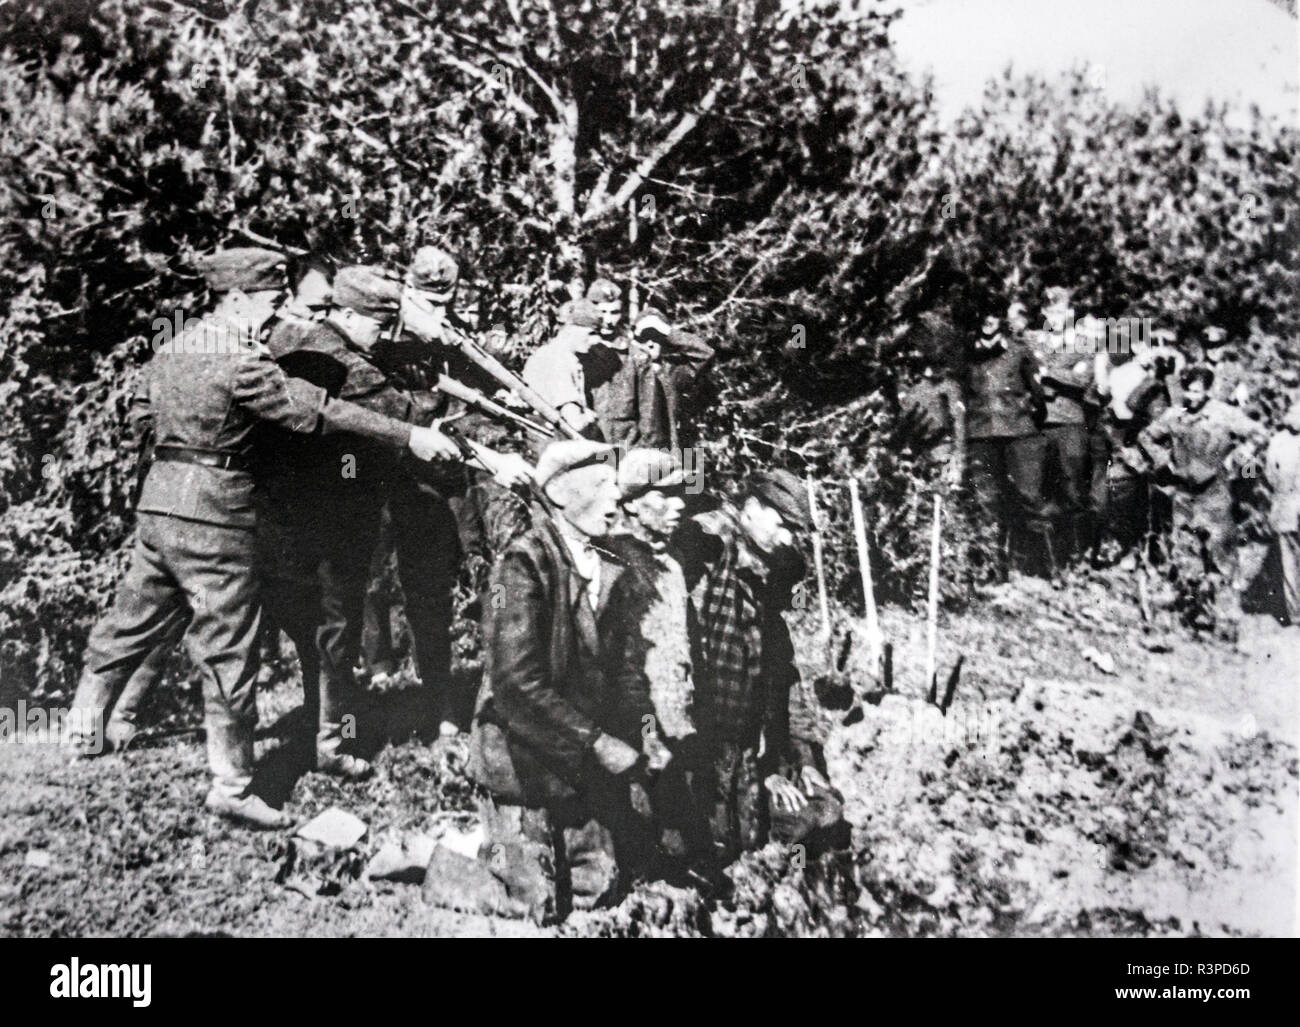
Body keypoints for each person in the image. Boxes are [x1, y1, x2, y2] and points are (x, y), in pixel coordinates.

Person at [68, 248, 456, 828]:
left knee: (129, 622)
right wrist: (407, 435)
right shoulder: (241, 360)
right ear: (238, 299)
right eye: (272, 302)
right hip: (215, 512)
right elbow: (312, 412)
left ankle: (83, 733)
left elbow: (142, 419)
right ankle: (233, 784)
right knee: (228, 646)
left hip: (160, 502)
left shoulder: (176, 347)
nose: (276, 316)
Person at [255, 264, 465, 780]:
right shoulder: (343, 358)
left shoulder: (304, 341)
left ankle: (322, 727)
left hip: (294, 512)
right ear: (347, 314)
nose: (384, 334)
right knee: (335, 624)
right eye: (378, 322)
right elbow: (399, 412)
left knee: (318, 626)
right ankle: (332, 741)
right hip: (327, 513)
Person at [465, 440, 661, 922]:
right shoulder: (521, 564)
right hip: (520, 757)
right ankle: (439, 859)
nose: (616, 498)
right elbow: (515, 685)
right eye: (600, 485)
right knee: (536, 903)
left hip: (575, 764)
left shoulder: (614, 566)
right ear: (557, 495)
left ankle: (502, 850)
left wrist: (645, 736)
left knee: (600, 888)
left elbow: (630, 672)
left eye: (614, 485)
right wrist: (598, 744)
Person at [675, 468, 828, 864]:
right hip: (704, 741)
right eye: (781, 525)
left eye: (794, 531)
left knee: (818, 812)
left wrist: (799, 760)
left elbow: (781, 676)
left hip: (746, 747)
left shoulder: (769, 574)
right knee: (711, 849)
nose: (787, 540)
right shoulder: (707, 553)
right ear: (751, 509)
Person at [1136, 365, 1266, 639]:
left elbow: (1259, 434)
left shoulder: (1224, 414)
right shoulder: (1175, 415)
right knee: (1185, 556)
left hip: (1216, 494)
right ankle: (1190, 616)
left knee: (1221, 558)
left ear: (1207, 390)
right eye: (1187, 390)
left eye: (1197, 391)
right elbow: (1145, 436)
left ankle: (1225, 624)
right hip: (1183, 495)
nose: (1191, 397)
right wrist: (1164, 461)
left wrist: (1239, 459)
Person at [958, 301, 1052, 577]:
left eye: (993, 316)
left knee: (1029, 496)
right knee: (987, 500)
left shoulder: (1020, 351)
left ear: (1002, 320)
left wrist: (1029, 422)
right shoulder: (966, 355)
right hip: (982, 434)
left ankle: (1042, 567)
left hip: (1019, 432)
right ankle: (993, 567)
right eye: (982, 316)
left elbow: (1037, 395)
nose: (988, 322)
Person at [1033, 287, 1095, 562]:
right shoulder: (1035, 343)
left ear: (1070, 313)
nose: (1055, 317)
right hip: (1039, 423)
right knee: (1042, 488)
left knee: (1072, 488)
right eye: (1049, 312)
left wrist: (1048, 373)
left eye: (1060, 312)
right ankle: (1049, 557)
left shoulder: (1083, 342)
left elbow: (1082, 381)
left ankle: (1078, 553)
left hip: (1070, 423)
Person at [521, 299, 604, 436]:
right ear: (571, 328)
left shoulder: (547, 353)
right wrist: (590, 417)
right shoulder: (559, 361)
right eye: (591, 333)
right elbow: (575, 422)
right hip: (552, 439)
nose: (596, 341)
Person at [1262, 398, 1300, 625]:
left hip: (1286, 505)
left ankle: (1296, 613)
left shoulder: (1278, 441)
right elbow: (1265, 472)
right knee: (1289, 560)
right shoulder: (1278, 441)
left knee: (1290, 562)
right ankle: (1295, 613)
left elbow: (1267, 474)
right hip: (1287, 506)